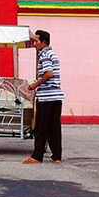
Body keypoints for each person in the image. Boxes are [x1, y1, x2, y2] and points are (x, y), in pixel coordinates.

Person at [23, 29, 64, 164]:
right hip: (56, 97)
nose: (34, 44)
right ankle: (56, 156)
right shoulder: (53, 54)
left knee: (41, 128)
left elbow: (48, 73)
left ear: (43, 42)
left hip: (46, 97)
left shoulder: (45, 55)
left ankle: (37, 156)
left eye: (36, 41)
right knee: (54, 128)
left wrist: (35, 84)